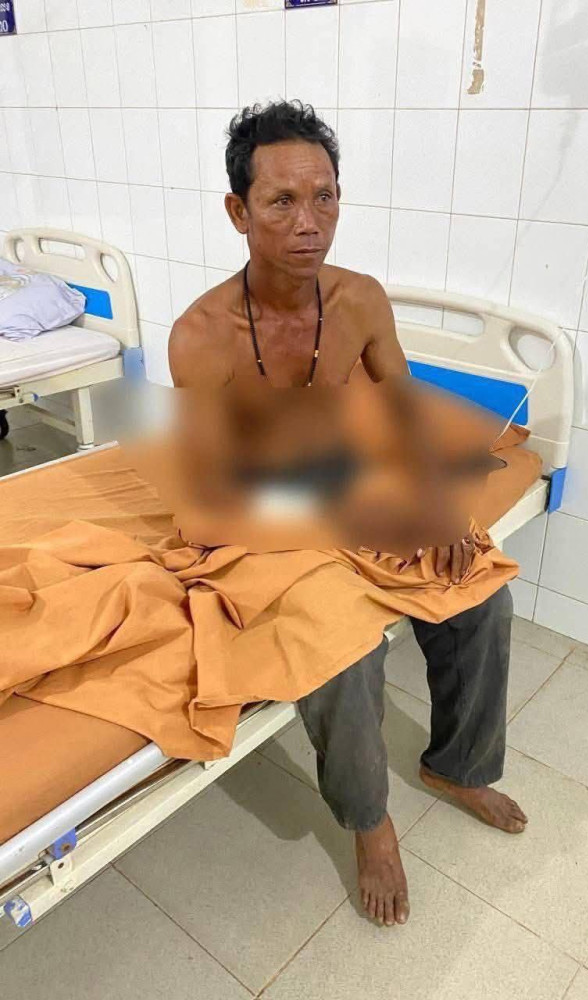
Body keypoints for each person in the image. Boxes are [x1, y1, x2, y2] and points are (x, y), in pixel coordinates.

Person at [168, 100, 527, 929]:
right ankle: (370, 823)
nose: (309, 222)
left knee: (481, 592)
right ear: (238, 212)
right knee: (344, 646)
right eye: (282, 201)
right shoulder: (203, 335)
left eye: (324, 196)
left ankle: (457, 765)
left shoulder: (360, 301)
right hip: (257, 511)